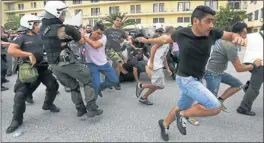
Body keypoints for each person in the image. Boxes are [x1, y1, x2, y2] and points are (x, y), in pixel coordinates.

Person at [137, 5, 246, 141]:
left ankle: (164, 124)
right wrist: (147, 41)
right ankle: (182, 115)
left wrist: (236, 36)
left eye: (213, 21)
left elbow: (229, 35)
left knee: (182, 106)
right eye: (208, 21)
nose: (211, 25)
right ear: (196, 21)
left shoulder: (213, 33)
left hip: (197, 78)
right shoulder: (182, 33)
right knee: (215, 106)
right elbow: (164, 39)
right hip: (185, 78)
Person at [40, 1, 103, 118]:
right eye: (63, 13)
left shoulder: (42, 28)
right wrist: (79, 33)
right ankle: (92, 108)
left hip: (53, 65)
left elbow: (55, 41)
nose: (64, 15)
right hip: (66, 62)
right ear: (57, 13)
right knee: (87, 79)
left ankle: (80, 109)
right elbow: (82, 42)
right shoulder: (66, 29)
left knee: (73, 85)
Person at [6, 15, 60, 133]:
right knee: (20, 95)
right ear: (29, 25)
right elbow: (11, 50)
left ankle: (48, 104)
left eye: (37, 24)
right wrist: (29, 54)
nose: (38, 26)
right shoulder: (21, 37)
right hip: (28, 69)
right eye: (35, 24)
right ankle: (16, 120)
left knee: (53, 85)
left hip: (42, 68)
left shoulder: (40, 35)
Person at [204, 22, 262, 113]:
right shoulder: (229, 45)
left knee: (238, 85)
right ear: (239, 33)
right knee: (210, 101)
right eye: (245, 34)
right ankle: (187, 113)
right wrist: (254, 65)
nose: (245, 37)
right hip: (213, 74)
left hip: (219, 72)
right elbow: (239, 68)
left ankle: (220, 101)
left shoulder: (226, 39)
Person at [84, 22, 119, 98]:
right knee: (96, 85)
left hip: (104, 63)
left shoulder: (104, 37)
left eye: (101, 34)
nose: (99, 36)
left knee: (115, 80)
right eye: (98, 33)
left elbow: (95, 45)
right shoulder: (85, 36)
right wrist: (80, 35)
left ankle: (101, 88)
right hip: (91, 64)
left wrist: (85, 38)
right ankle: (92, 104)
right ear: (93, 30)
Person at [136, 33, 172, 105]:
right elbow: (153, 48)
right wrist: (151, 63)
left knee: (156, 85)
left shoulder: (167, 44)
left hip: (158, 66)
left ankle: (144, 98)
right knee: (160, 86)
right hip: (155, 66)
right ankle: (141, 86)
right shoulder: (163, 41)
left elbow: (163, 57)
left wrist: (167, 68)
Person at [236, 24, 264, 116]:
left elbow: (239, 39)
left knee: (254, 85)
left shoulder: (252, 36)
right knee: (255, 88)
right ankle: (243, 108)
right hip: (259, 64)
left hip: (249, 62)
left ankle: (248, 87)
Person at [104, 16, 132, 89]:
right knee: (118, 62)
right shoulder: (107, 30)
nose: (119, 22)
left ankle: (111, 81)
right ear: (113, 21)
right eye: (117, 20)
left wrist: (129, 40)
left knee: (116, 67)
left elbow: (128, 37)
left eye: (120, 21)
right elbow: (101, 37)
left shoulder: (121, 31)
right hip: (109, 49)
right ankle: (116, 82)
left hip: (118, 50)